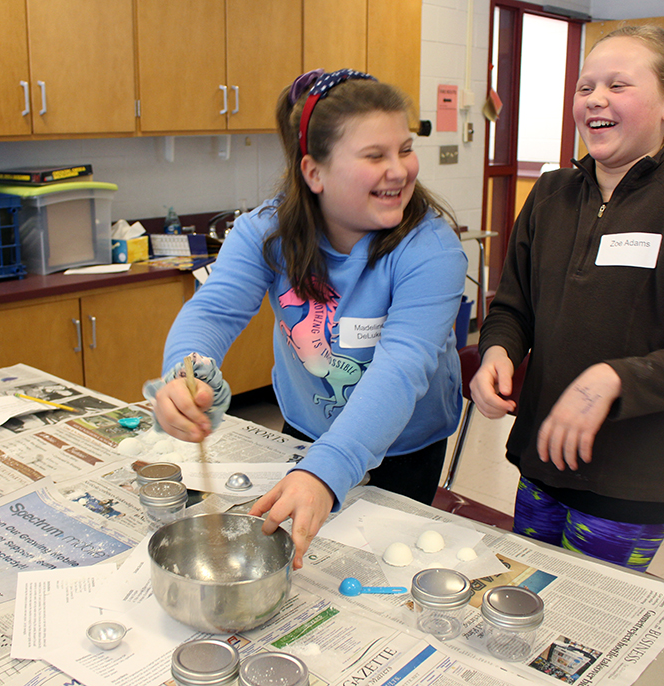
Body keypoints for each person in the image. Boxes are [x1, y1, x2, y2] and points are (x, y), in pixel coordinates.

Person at [146, 69, 467, 569]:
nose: (400, 170)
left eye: (404, 149)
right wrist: (185, 375)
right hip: (306, 423)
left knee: (386, 565)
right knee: (309, 562)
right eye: (374, 156)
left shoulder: (430, 249)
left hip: (405, 441)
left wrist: (328, 471)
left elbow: (402, 368)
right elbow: (213, 310)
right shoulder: (264, 232)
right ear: (314, 173)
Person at [470, 26, 664, 571]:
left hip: (630, 480)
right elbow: (512, 308)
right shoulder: (550, 194)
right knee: (527, 602)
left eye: (618, 85)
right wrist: (497, 350)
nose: (595, 98)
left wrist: (615, 378)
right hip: (541, 460)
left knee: (582, 626)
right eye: (585, 87)